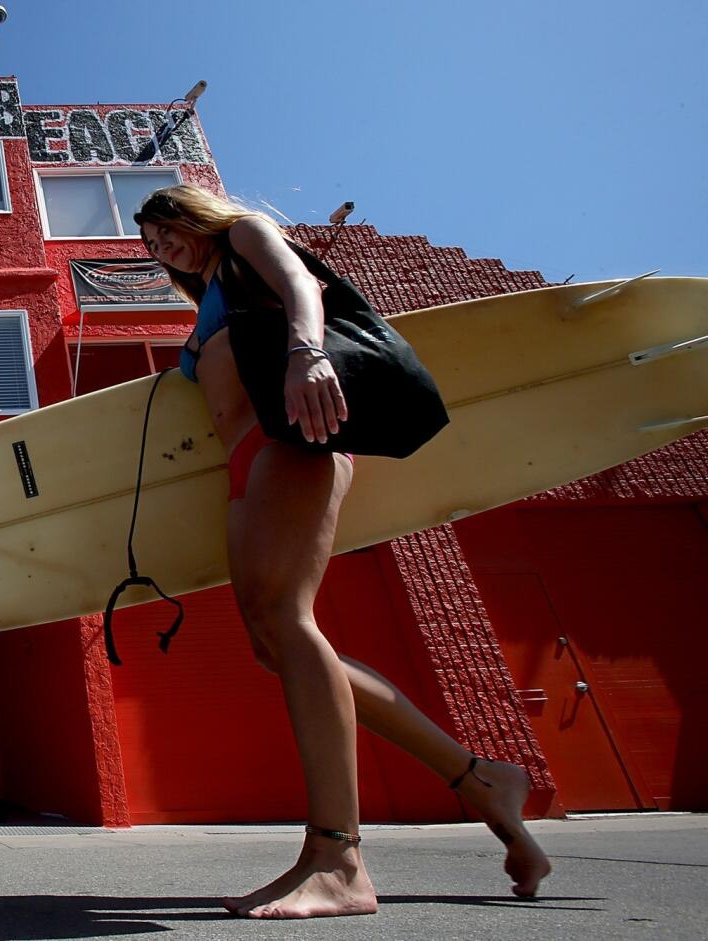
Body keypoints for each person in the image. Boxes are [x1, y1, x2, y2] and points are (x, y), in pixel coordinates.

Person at [132, 184, 551, 918]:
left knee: (290, 623)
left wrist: (307, 352)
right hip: (243, 465)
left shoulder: (243, 239)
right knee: (274, 642)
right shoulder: (204, 303)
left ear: (193, 216)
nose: (158, 246)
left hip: (290, 435)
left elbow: (302, 281)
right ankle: (482, 779)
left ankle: (337, 858)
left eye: (164, 228)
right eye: (149, 244)